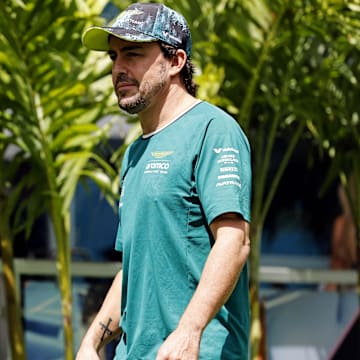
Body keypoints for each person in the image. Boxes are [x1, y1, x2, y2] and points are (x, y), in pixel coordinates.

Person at [77, 3, 252, 359]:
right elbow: (134, 268)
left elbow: (234, 241)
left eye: (133, 54)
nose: (118, 69)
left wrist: (190, 330)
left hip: (197, 352)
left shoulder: (213, 130)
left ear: (176, 61)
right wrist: (92, 341)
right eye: (113, 57)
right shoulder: (134, 154)